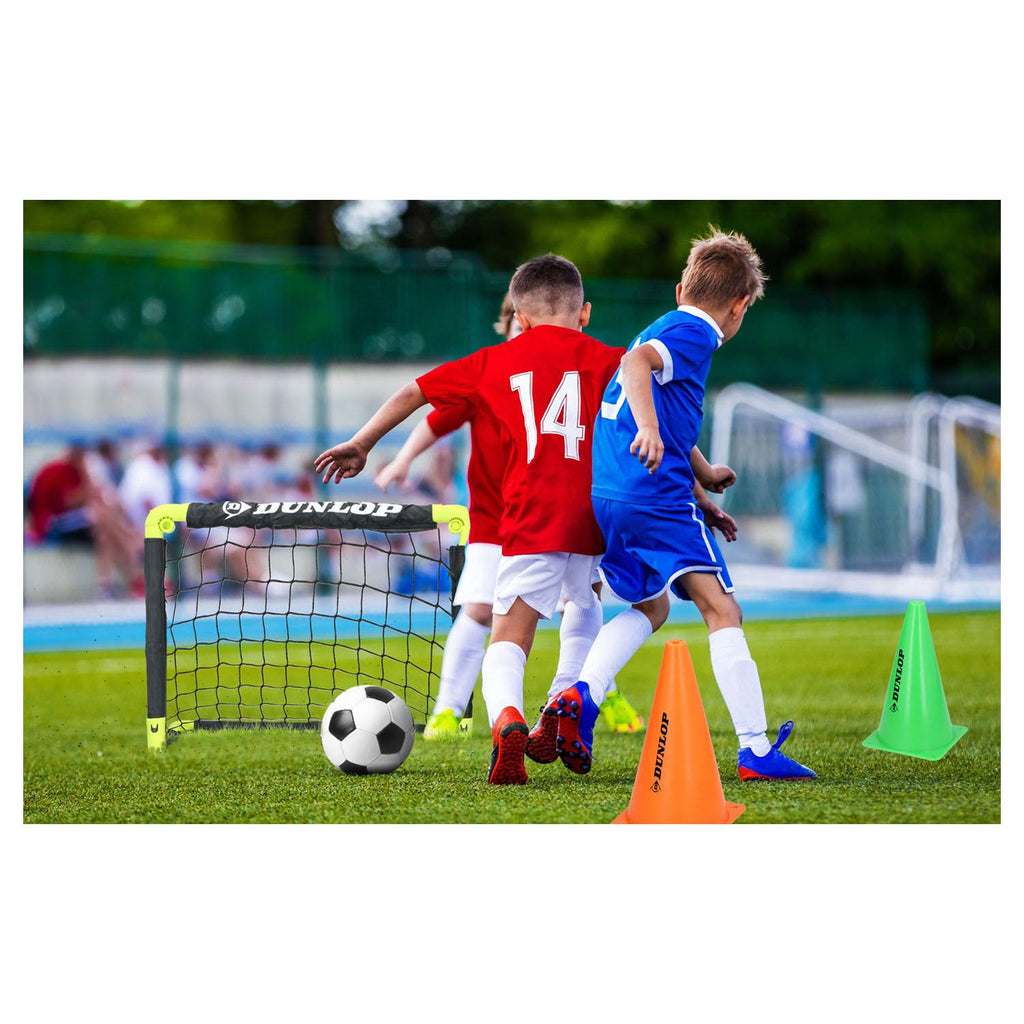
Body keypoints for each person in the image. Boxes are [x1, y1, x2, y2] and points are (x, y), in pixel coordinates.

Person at [316, 254, 625, 784]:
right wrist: (700, 486)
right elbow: (659, 419)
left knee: (507, 633)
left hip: (530, 517)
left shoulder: (493, 362)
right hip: (595, 515)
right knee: (586, 600)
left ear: (519, 317)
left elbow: (415, 393)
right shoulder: (615, 359)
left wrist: (363, 443)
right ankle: (563, 699)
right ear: (585, 312)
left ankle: (508, 717)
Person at [540, 228, 815, 781]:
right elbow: (636, 366)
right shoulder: (695, 332)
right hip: (653, 496)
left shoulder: (666, 324)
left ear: (680, 289)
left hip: (611, 493)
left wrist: (703, 478)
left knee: (653, 606)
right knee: (723, 611)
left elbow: (663, 407)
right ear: (739, 306)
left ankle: (581, 696)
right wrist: (649, 430)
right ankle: (756, 750)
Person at [374, 293, 644, 741]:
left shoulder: (566, 364)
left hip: (545, 514)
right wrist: (402, 460)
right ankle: (451, 709)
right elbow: (434, 419)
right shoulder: (494, 372)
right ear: (513, 326)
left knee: (576, 603)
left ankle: (586, 695)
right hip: (497, 519)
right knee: (488, 609)